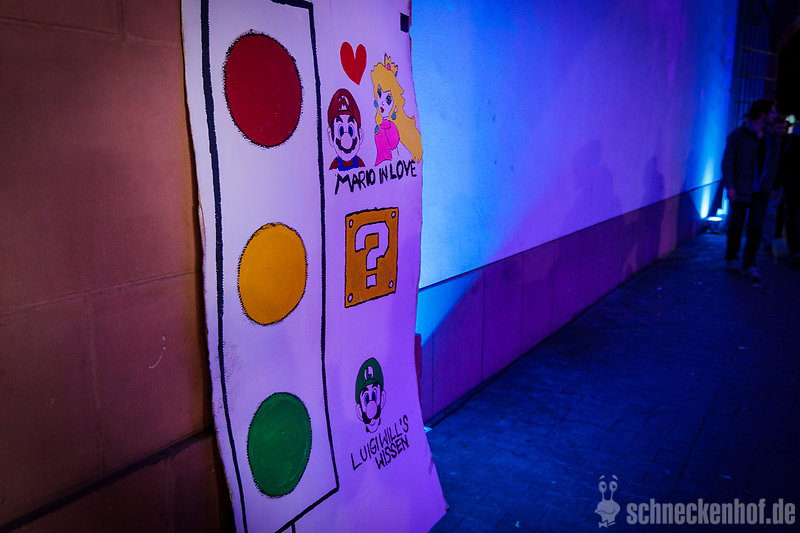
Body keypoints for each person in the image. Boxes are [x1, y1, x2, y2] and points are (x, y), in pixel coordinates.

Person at [722, 99, 780, 281]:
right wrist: (730, 185)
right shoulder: (739, 135)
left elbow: (773, 164)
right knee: (736, 225)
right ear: (763, 113)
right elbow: (728, 161)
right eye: (772, 112)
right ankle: (732, 258)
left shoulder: (771, 138)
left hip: (761, 190)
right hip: (741, 187)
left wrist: (772, 186)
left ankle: (750, 264)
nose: (774, 116)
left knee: (756, 227)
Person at [370, 54, 422, 165]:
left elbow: (397, 154)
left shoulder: (394, 129)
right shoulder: (379, 126)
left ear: (396, 105)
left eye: (388, 99)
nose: (382, 102)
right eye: (379, 93)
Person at [327, 88, 365, 171]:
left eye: (351, 131)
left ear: (360, 135)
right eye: (340, 131)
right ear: (330, 136)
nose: (346, 139)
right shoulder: (334, 166)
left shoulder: (360, 163)